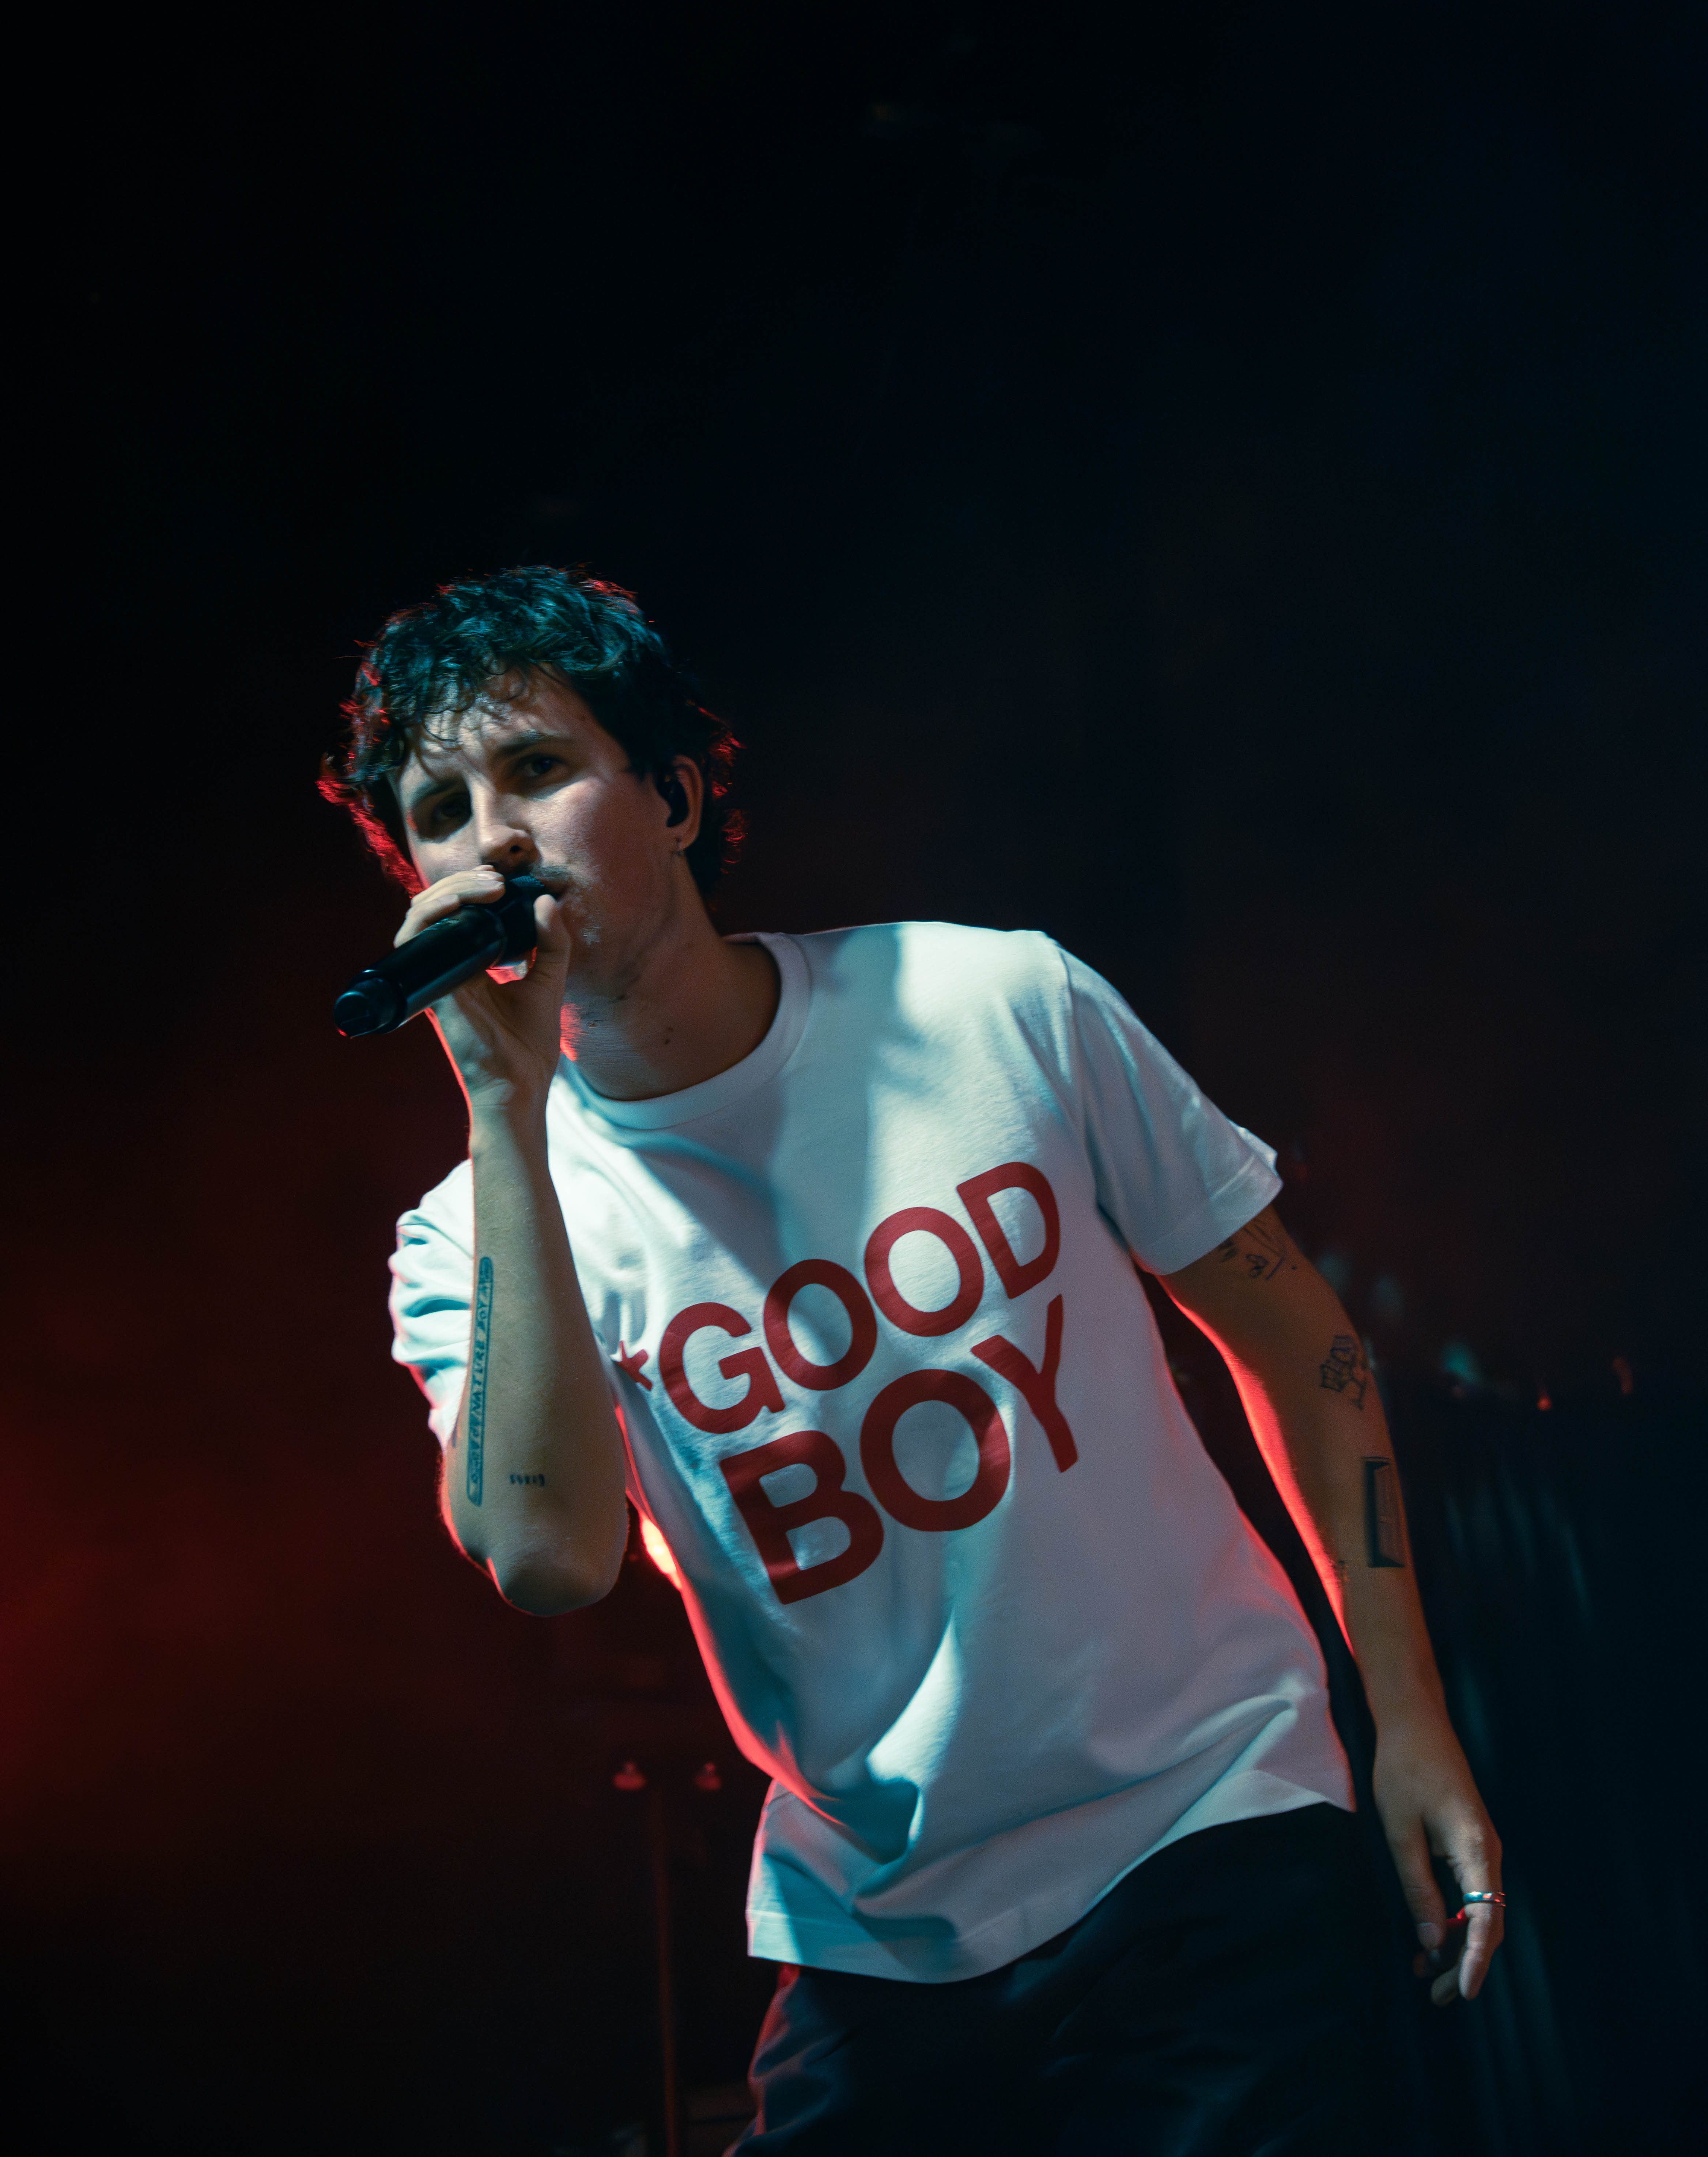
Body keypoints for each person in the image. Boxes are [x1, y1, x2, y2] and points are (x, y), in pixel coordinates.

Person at [322, 565, 1503, 2154]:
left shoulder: (993, 1001)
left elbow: (1303, 1344)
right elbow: (544, 1558)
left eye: (538, 768)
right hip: (881, 1928)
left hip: (1206, 1824)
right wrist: (504, 1113)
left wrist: (1409, 1722)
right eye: (441, 809)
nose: (496, 837)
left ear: (670, 796)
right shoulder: (470, 1235)